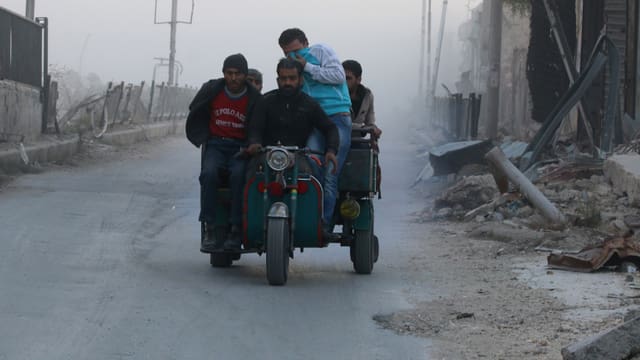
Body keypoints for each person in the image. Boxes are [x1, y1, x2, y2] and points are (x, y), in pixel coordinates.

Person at [278, 27, 351, 234]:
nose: (293, 57)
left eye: (296, 51)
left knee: (330, 173)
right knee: (311, 166)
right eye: (287, 54)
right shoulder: (294, 71)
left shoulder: (321, 51)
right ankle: (309, 218)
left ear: (306, 43)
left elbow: (338, 76)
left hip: (337, 117)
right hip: (315, 120)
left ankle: (324, 224)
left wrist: (307, 66)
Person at [185, 53, 261, 252]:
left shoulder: (254, 97)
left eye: (238, 74)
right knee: (208, 174)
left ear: (245, 75)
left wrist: (252, 144)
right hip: (216, 145)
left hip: (240, 148)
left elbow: (258, 126)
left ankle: (236, 229)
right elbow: (195, 108)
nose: (233, 78)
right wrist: (202, 136)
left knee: (239, 177)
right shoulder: (212, 90)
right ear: (223, 74)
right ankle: (209, 227)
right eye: (229, 73)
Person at [246, 58, 339, 199]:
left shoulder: (310, 104)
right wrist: (254, 142)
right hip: (268, 155)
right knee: (250, 180)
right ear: (278, 80)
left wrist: (331, 150)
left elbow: (330, 128)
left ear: (300, 80)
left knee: (310, 183)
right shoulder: (265, 101)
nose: (287, 82)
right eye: (283, 78)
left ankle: (312, 219)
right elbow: (255, 127)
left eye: (292, 78)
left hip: (298, 157)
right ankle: (246, 219)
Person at [342, 60, 382, 139]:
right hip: (337, 139)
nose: (343, 81)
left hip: (357, 140)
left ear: (358, 80)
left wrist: (374, 130)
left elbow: (370, 122)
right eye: (341, 77)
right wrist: (363, 128)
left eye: (348, 78)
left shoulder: (367, 96)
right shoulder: (336, 95)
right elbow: (341, 122)